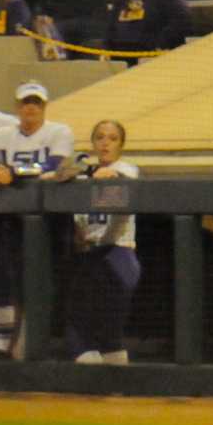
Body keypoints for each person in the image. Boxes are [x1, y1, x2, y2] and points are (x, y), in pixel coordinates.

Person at [0, 81, 73, 361]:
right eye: (25, 103)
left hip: (54, 224)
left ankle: (46, 352)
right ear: (17, 107)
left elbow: (53, 167)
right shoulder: (5, 134)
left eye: (36, 102)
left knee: (52, 289)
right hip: (16, 224)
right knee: (16, 285)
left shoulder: (59, 131)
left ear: (44, 106)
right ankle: (15, 352)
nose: (30, 107)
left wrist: (12, 172)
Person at [57, 119, 141, 365]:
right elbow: (58, 175)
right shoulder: (84, 174)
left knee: (110, 326)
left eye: (112, 138)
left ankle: (115, 385)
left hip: (118, 252)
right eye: (100, 137)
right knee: (79, 322)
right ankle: (96, 385)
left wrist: (87, 172)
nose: (105, 143)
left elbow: (115, 177)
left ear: (121, 145)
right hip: (88, 252)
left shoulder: (128, 170)